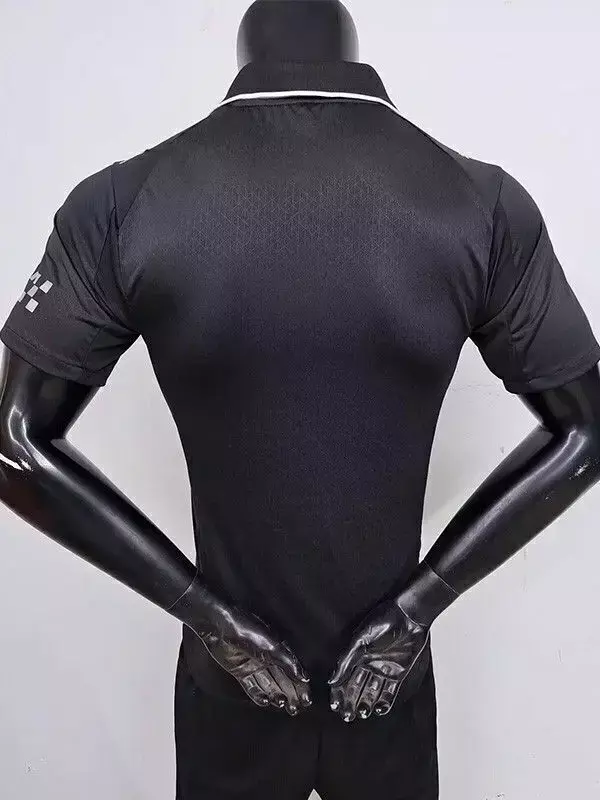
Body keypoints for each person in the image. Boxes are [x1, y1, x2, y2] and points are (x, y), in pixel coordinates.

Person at [1, 2, 599, 798]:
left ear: (245, 54)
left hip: (233, 679)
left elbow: (14, 444)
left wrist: (211, 619)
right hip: (386, 679)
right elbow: (586, 430)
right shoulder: (481, 203)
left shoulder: (124, 202)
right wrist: (415, 609)